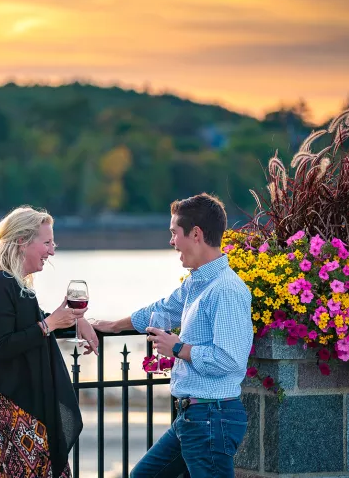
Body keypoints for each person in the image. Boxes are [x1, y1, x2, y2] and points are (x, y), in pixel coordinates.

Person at [92, 193, 253, 478]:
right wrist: (113, 325)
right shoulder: (198, 282)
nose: (171, 241)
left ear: (195, 234)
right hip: (193, 418)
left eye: (173, 233)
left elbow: (230, 360)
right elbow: (162, 310)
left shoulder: (225, 290)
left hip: (211, 418)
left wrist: (179, 348)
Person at [0, 206, 86, 478]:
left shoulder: (16, 284)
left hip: (24, 400)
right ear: (22, 241)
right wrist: (49, 325)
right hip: (12, 404)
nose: (52, 251)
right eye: (46, 243)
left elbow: (31, 321)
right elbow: (2, 345)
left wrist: (77, 320)